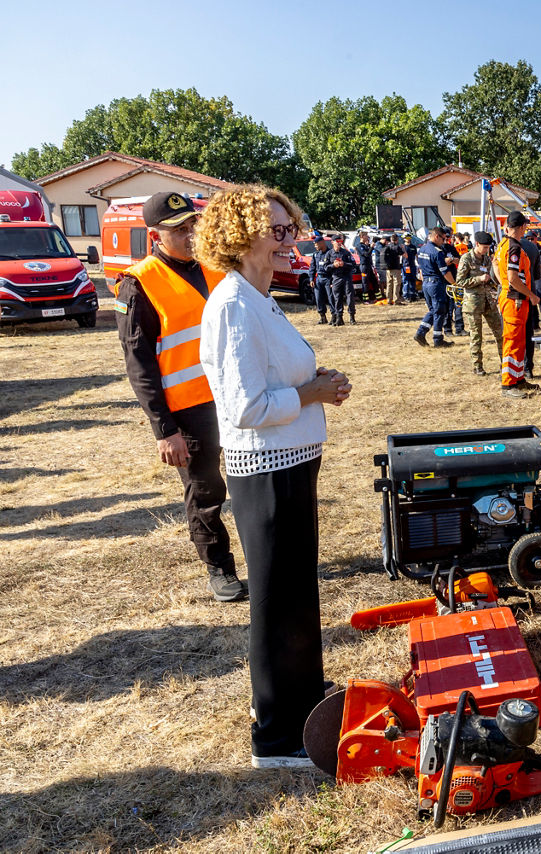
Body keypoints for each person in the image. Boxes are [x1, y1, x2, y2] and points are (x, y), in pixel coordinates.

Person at [196, 184, 351, 768]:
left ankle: (305, 698)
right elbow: (243, 408)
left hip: (289, 462)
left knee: (295, 592)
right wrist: (310, 393)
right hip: (266, 471)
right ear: (242, 238)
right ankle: (277, 734)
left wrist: (316, 387)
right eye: (280, 231)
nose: (294, 240)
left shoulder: (259, 297)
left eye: (294, 228)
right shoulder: (234, 303)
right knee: (273, 598)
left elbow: (276, 380)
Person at [115, 191, 244, 603]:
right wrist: (163, 429)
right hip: (187, 409)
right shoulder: (138, 284)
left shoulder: (215, 268)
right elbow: (140, 366)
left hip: (233, 397)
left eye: (193, 225)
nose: (191, 234)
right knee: (206, 490)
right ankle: (219, 566)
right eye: (180, 229)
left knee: (247, 480)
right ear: (155, 234)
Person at [496, 211, 541, 398]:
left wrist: (503, 286)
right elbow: (514, 278)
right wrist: (531, 295)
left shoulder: (503, 244)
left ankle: (518, 378)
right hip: (515, 300)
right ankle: (508, 384)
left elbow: (496, 269)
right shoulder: (514, 247)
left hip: (512, 298)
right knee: (512, 342)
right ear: (522, 227)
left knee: (519, 341)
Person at [457, 230, 504, 375]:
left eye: (488, 247)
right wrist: (479, 279)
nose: (486, 250)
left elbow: (491, 278)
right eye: (484, 247)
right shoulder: (466, 259)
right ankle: (477, 366)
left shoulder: (487, 259)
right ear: (476, 244)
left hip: (489, 301)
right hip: (473, 304)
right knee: (476, 336)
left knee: (500, 333)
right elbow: (459, 282)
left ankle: (505, 363)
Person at [413, 227, 456, 348]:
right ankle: (437, 339)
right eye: (443, 238)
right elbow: (445, 271)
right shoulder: (437, 252)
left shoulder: (422, 249)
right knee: (439, 311)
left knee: (433, 310)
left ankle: (421, 334)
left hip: (426, 283)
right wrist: (454, 283)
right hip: (436, 284)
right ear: (436, 236)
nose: (444, 241)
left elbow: (421, 268)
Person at [326, 234, 356, 325]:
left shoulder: (346, 253)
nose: (339, 243)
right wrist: (333, 265)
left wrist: (344, 264)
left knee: (350, 297)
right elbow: (325, 267)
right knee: (337, 298)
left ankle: (352, 317)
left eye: (340, 241)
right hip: (336, 277)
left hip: (346, 277)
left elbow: (353, 265)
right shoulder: (329, 254)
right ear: (332, 242)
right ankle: (339, 317)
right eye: (337, 241)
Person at [311, 236, 333, 326]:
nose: (315, 246)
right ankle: (322, 317)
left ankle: (334, 316)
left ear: (322, 243)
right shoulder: (316, 254)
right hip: (319, 278)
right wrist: (311, 279)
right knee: (318, 298)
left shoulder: (331, 253)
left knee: (331, 298)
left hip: (328, 278)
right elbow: (312, 267)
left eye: (316, 244)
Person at [384, 235, 404, 305]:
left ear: (390, 239)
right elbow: (403, 254)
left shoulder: (387, 246)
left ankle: (389, 300)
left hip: (388, 268)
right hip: (396, 267)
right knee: (396, 283)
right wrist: (402, 248)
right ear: (397, 240)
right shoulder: (397, 246)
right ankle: (396, 300)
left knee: (389, 284)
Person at [402, 238, 419, 303]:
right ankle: (406, 296)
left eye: (409, 237)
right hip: (406, 266)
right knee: (406, 280)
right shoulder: (403, 247)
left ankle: (412, 295)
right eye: (406, 237)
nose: (408, 239)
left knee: (413, 280)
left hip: (412, 266)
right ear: (404, 239)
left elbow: (416, 256)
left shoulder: (413, 247)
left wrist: (419, 264)